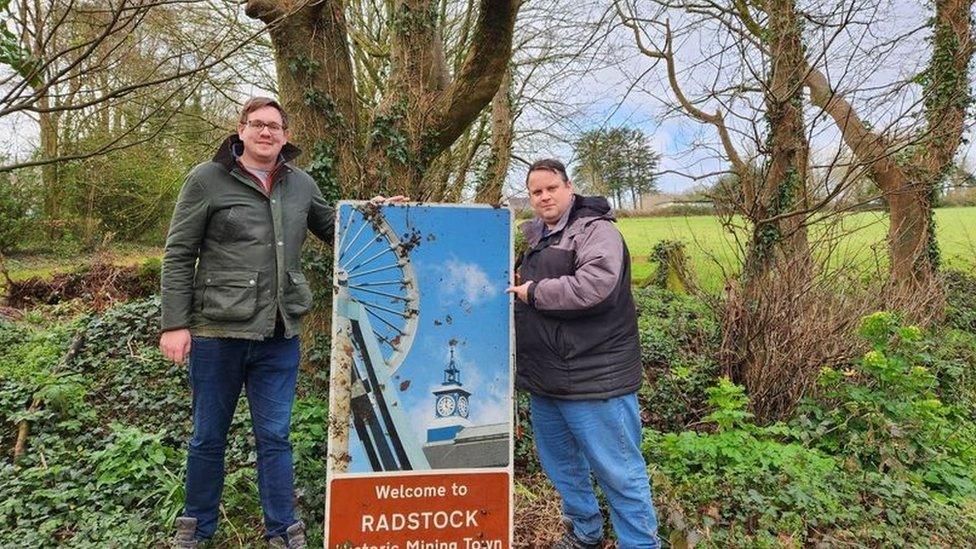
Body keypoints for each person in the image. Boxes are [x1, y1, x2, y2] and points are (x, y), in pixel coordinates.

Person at [159, 97, 332, 548]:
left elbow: (338, 228)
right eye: (257, 124)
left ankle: (283, 528)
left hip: (279, 334)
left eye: (275, 126)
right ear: (240, 129)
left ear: (286, 135)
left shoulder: (301, 184)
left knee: (275, 436)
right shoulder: (207, 179)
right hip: (218, 332)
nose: (266, 132)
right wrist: (174, 324)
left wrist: (378, 212)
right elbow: (179, 253)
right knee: (207, 436)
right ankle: (196, 526)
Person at [507, 159, 659, 548]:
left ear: (569, 187)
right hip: (547, 380)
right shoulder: (538, 238)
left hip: (596, 380)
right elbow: (528, 289)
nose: (544, 197)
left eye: (551, 188)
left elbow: (595, 286)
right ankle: (585, 533)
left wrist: (535, 292)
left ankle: (640, 543)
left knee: (620, 472)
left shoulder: (596, 231)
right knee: (563, 469)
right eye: (536, 191)